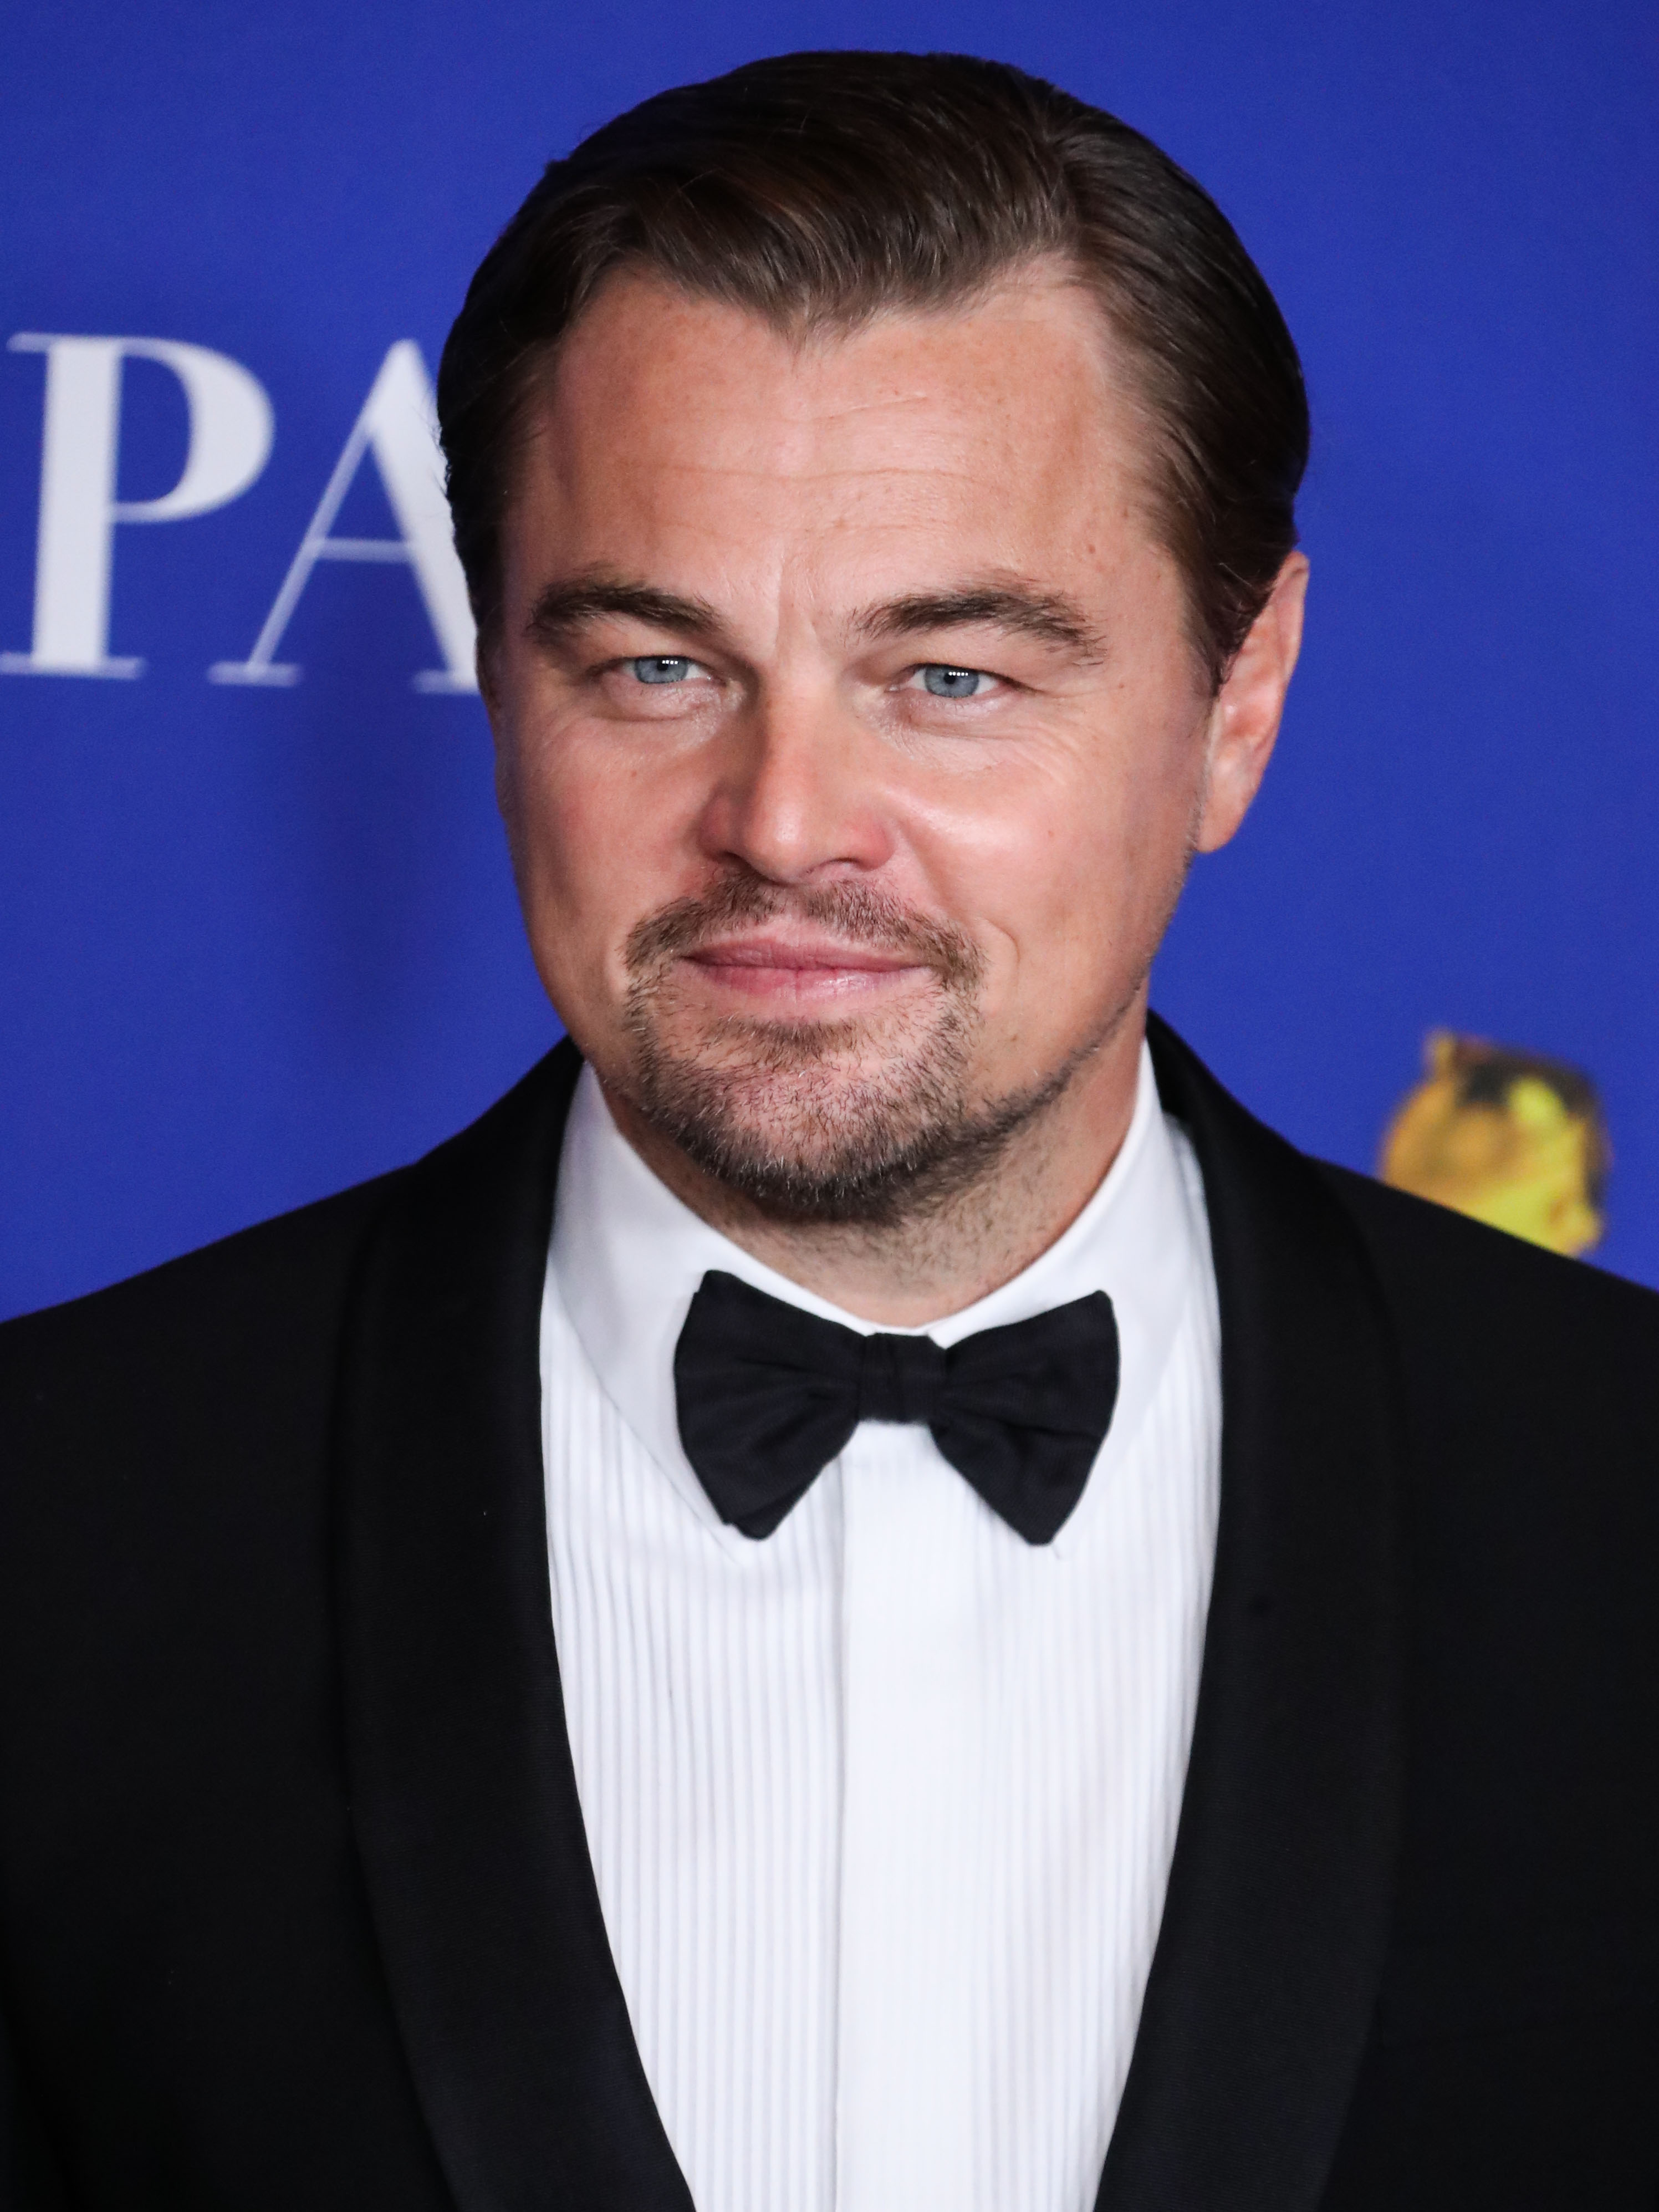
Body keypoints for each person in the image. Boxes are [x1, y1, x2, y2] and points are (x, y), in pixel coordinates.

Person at [1, 50, 1654, 2212]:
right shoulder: (55, 1526)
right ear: (500, 677)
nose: (782, 822)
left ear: (1233, 704)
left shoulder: (1614, 1498)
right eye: (656, 665)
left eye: (948, 676)